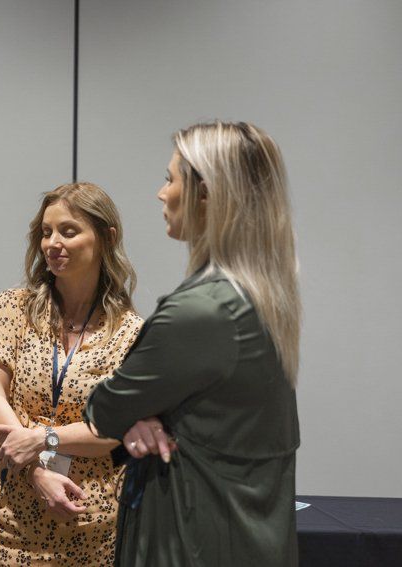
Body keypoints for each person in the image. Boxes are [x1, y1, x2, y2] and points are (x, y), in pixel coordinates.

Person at [84, 121, 301, 566]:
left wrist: (132, 414)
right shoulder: (258, 299)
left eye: (170, 179)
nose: (161, 194)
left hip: (191, 544)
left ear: (206, 194)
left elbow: (105, 408)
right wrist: (139, 415)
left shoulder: (202, 310)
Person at [0, 182, 143, 565]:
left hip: (92, 522)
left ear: (106, 238)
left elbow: (117, 430)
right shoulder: (11, 310)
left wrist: (44, 439)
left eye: (69, 231)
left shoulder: (131, 333)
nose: (53, 243)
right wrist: (36, 471)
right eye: (46, 232)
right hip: (17, 513)